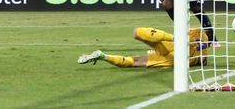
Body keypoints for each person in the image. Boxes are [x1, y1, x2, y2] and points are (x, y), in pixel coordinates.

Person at [77, 27, 209, 68]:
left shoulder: (199, 32)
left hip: (173, 48)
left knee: (137, 32)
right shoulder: (203, 39)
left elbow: (186, 28)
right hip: (176, 59)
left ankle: (103, 56)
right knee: (135, 62)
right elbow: (203, 61)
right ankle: (103, 56)